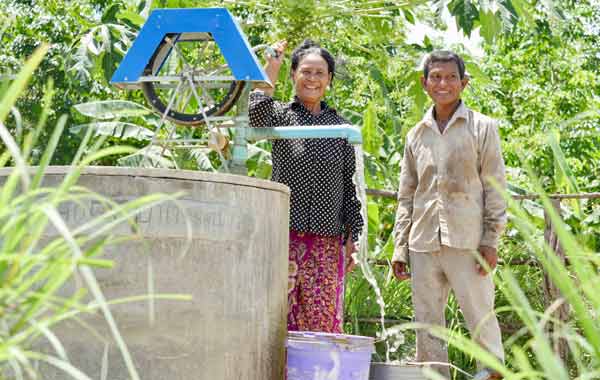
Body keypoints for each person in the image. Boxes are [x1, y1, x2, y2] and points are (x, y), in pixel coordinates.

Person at [391, 50, 506, 379]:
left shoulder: (482, 128)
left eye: (451, 77)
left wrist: (491, 240)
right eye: (436, 77)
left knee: (480, 316)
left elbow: (495, 187)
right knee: (427, 324)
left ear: (463, 83)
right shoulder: (416, 135)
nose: (443, 83)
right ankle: (432, 375)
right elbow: (407, 194)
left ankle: (491, 372)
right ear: (424, 83)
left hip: (468, 240)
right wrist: (400, 246)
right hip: (424, 242)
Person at [249, 39, 364, 334]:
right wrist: (271, 65)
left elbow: (350, 189)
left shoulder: (340, 128)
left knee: (320, 321)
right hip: (284, 237)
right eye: (306, 72)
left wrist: (354, 237)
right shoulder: (282, 117)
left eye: (320, 73)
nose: (312, 79)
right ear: (294, 75)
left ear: (329, 80)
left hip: (326, 241)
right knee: (275, 319)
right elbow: (256, 111)